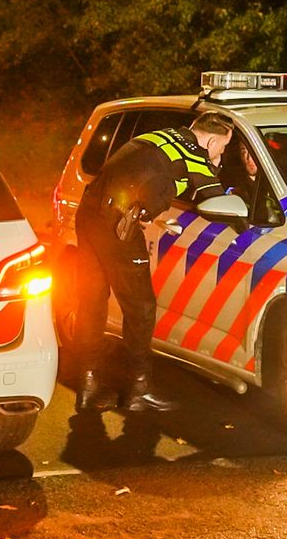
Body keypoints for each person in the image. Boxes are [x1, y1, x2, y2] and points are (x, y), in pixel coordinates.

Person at [73, 113, 232, 412]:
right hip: (117, 225)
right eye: (222, 148)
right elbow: (221, 201)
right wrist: (215, 167)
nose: (220, 154)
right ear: (210, 140)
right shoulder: (196, 159)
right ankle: (138, 389)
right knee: (141, 307)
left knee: (92, 299)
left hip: (88, 214)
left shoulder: (159, 136)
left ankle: (88, 383)